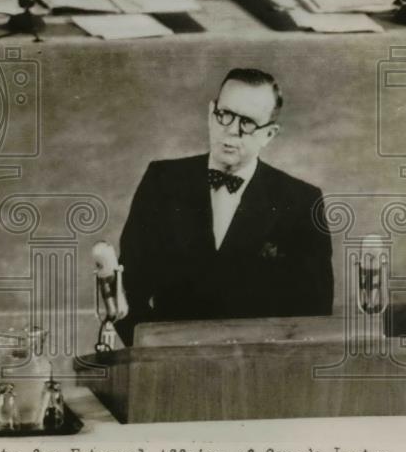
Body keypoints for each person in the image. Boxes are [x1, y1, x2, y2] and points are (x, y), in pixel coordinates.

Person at [114, 68, 333, 347]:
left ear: (269, 134)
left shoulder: (301, 200)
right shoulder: (163, 182)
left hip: (258, 372)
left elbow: (314, 313)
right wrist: (154, 351)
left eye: (248, 122)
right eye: (225, 115)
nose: (231, 130)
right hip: (169, 368)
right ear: (210, 113)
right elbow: (127, 290)